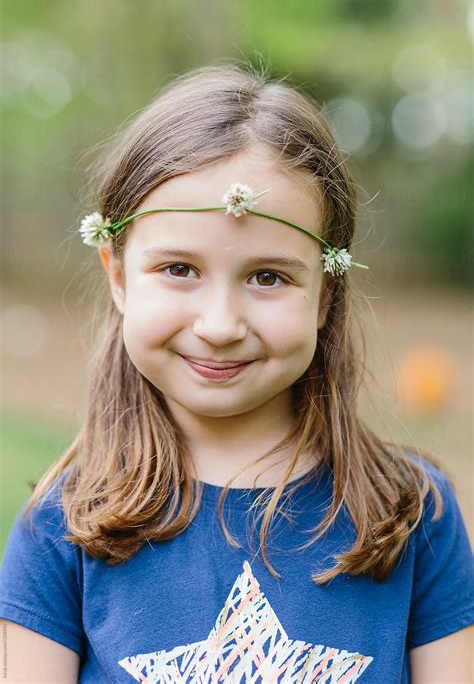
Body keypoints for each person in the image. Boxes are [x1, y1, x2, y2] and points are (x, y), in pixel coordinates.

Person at [1, 63, 472, 683]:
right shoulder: (61, 528)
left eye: (268, 277)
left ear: (325, 296)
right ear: (117, 275)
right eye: (178, 268)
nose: (220, 324)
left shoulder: (412, 512)